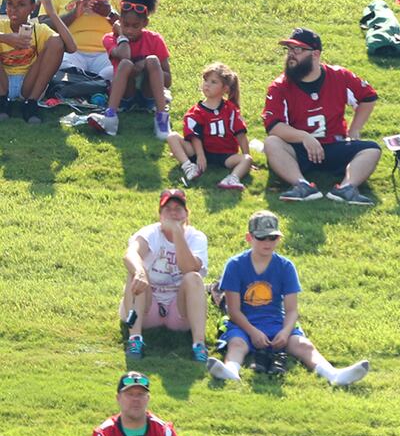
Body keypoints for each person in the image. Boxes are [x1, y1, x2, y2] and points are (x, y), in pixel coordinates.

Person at [208, 210, 373, 385]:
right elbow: (233, 311)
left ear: (279, 238)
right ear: (249, 238)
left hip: (277, 322)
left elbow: (292, 310)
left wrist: (285, 332)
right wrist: (253, 332)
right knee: (237, 345)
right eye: (261, 238)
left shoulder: (286, 267)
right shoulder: (235, 265)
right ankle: (231, 371)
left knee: (304, 345)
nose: (267, 243)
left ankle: (333, 375)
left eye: (272, 238)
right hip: (243, 324)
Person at [263, 27, 381, 205]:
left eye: (298, 50)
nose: (291, 55)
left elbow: (368, 97)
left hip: (334, 145)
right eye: (289, 50)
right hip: (299, 149)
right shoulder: (279, 86)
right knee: (272, 143)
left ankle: (346, 189)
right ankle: (301, 185)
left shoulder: (340, 77)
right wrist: (304, 137)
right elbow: (274, 126)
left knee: (372, 149)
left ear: (315, 54)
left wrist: (355, 128)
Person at [121, 188, 209, 364]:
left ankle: (199, 344)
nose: (173, 213)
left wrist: (177, 234)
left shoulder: (196, 237)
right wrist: (139, 272)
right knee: (136, 272)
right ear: (160, 215)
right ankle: (135, 339)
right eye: (168, 209)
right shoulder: (150, 233)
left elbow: (189, 268)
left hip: (179, 309)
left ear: (186, 214)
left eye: (178, 208)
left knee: (194, 278)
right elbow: (130, 253)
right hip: (147, 305)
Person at [84, 0, 171, 139]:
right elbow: (125, 55)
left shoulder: (155, 39)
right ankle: (110, 117)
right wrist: (121, 35)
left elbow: (168, 80)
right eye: (126, 25)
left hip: (148, 93)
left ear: (145, 23)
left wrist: (145, 65)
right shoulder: (110, 38)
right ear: (119, 21)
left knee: (152, 60)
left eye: (135, 26)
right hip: (126, 94)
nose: (130, 30)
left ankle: (162, 118)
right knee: (125, 64)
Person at [169, 61, 252, 187]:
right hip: (202, 151)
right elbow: (194, 136)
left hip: (225, 155)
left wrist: (247, 156)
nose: (207, 85)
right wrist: (200, 156)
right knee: (172, 137)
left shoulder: (231, 109)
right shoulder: (195, 111)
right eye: (206, 80)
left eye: (213, 82)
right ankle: (189, 167)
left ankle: (231, 179)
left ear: (225, 89)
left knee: (247, 159)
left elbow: (240, 134)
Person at [0, 0, 70, 119]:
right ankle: (2, 101)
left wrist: (53, 15)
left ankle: (31, 103)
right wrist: (5, 38)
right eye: (10, 4)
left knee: (56, 42)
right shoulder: (2, 25)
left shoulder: (39, 29)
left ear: (33, 7)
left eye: (21, 4)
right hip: (3, 81)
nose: (14, 9)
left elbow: (71, 47)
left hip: (29, 83)